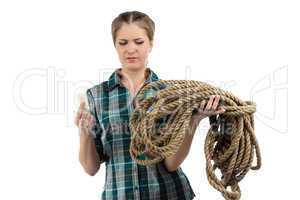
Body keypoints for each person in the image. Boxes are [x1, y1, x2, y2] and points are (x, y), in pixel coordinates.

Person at [75, 10, 225, 200]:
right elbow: (90, 168)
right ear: (115, 45)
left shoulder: (170, 94)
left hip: (169, 194)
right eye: (123, 43)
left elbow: (171, 164)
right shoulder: (96, 96)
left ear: (151, 44)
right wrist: (85, 133)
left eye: (139, 42)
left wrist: (194, 119)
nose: (131, 49)